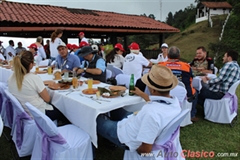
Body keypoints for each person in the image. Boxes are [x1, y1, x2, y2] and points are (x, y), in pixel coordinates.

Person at [97, 65, 181, 157]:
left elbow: (145, 150)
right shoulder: (174, 102)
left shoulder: (151, 113)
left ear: (152, 89)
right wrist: (141, 94)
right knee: (115, 109)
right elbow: (157, 102)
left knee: (95, 120)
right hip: (135, 121)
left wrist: (135, 150)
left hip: (124, 136)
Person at [7, 50, 69, 122]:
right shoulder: (33, 78)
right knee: (65, 111)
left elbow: (27, 85)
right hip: (38, 113)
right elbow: (47, 99)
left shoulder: (11, 77)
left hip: (24, 112)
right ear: (31, 65)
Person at [159, 46, 199, 122]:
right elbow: (191, 78)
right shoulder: (186, 66)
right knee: (196, 92)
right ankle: (192, 115)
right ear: (179, 56)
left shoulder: (161, 65)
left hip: (164, 92)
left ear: (167, 55)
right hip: (185, 94)